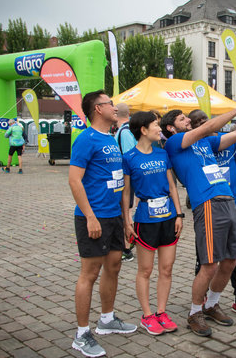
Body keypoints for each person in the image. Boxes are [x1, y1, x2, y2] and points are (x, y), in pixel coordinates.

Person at [160, 94, 236, 337]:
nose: (187, 120)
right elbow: (208, 126)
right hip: (207, 203)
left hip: (227, 199)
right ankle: (195, 312)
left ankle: (211, 305)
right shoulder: (174, 142)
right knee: (209, 264)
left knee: (231, 260)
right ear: (170, 127)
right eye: (182, 118)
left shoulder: (205, 143)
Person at [68, 90, 136, 358]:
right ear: (98, 109)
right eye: (109, 103)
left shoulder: (111, 138)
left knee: (114, 266)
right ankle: (82, 334)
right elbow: (74, 180)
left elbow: (119, 181)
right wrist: (90, 217)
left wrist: (125, 219)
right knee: (90, 273)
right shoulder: (86, 139)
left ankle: (107, 319)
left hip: (114, 217)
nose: (114, 106)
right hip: (93, 217)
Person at [189, 110, 236, 320]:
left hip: (233, 207)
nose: (205, 124)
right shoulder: (195, 147)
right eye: (198, 123)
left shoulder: (229, 141)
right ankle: (201, 302)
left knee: (235, 256)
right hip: (208, 208)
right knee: (205, 257)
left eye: (206, 120)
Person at [122, 111, 183, 335]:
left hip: (168, 218)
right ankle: (147, 315)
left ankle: (161, 312)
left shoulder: (162, 154)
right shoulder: (129, 158)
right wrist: (126, 221)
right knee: (145, 270)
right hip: (144, 221)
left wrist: (179, 215)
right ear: (143, 130)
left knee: (166, 269)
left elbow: (173, 186)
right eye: (156, 125)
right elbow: (126, 193)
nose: (160, 128)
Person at [115, 103, 138, 262]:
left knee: (126, 212)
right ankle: (130, 242)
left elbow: (131, 155)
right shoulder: (127, 129)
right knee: (126, 211)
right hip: (127, 179)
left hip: (126, 180)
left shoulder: (124, 131)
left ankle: (127, 247)